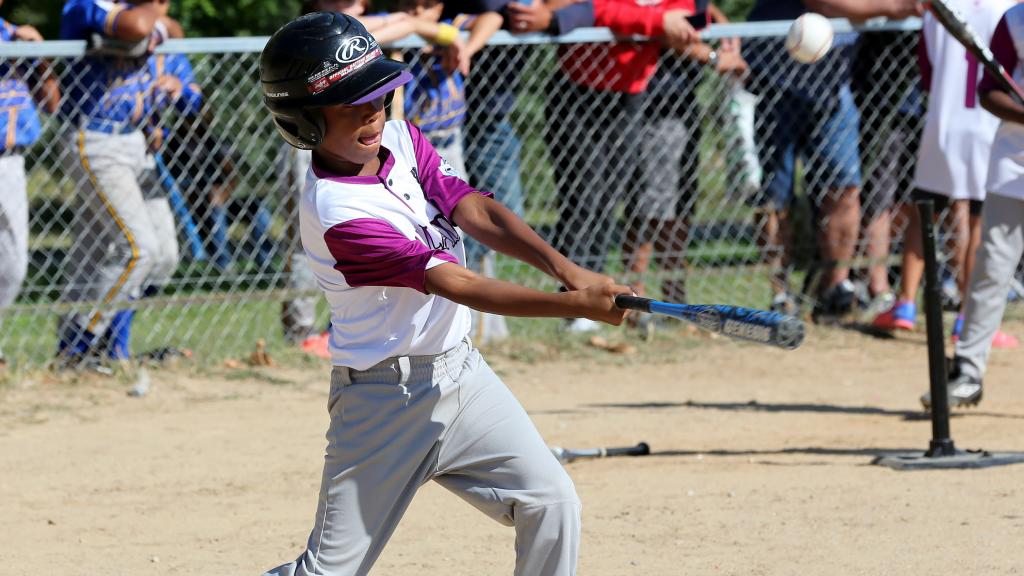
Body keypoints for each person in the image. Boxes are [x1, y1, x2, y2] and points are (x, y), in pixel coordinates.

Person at [259, 13, 632, 575]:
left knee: (551, 503)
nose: (373, 112)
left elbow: (474, 209)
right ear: (305, 122)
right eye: (351, 104)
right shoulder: (336, 210)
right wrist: (570, 305)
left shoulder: (403, 141)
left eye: (379, 96)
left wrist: (569, 270)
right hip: (385, 403)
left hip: (464, 377)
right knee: (328, 572)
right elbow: (457, 281)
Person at [744, 0, 923, 319]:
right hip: (777, 77)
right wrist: (896, 7)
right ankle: (781, 294)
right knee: (776, 197)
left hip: (833, 82)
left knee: (844, 189)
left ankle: (836, 289)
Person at [547, 0, 702, 332]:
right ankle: (570, 305)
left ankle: (590, 301)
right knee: (583, 199)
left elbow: (690, 20)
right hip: (578, 92)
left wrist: (648, 22)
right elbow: (600, 10)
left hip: (629, 96)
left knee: (607, 201)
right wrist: (657, 21)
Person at [872, 0, 1018, 350]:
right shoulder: (1010, 8)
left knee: (927, 209)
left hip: (943, 121)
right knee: (978, 222)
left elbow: (927, 69)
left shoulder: (940, 5)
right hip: (987, 124)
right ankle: (968, 316)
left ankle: (905, 302)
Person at [56, 0, 181, 365]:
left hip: (134, 140)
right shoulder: (86, 4)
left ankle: (110, 346)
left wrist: (157, 20)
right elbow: (140, 27)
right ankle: (77, 349)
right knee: (137, 249)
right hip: (94, 137)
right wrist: (153, 21)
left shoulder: (138, 8)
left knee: (160, 256)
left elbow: (173, 29)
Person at [924, 3, 1024, 410]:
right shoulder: (1015, 20)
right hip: (1015, 161)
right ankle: (968, 371)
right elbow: (990, 92)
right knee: (993, 268)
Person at [623, 2, 747, 311]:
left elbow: (697, 12)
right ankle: (634, 299)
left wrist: (722, 24)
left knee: (681, 204)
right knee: (651, 207)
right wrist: (715, 56)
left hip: (684, 105)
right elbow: (669, 28)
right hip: (656, 106)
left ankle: (674, 298)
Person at [0, 10, 60, 369]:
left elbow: (52, 102)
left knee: (13, 264)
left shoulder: (16, 35)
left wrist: (39, 56)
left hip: (10, 163)